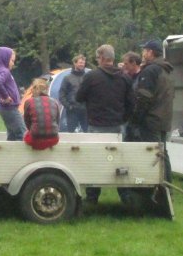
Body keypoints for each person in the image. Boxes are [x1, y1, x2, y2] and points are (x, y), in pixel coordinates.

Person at [76, 44, 135, 204]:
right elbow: (131, 104)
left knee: (95, 161)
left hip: (96, 125)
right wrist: (123, 118)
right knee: (120, 161)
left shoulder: (91, 77)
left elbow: (79, 97)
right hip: (118, 125)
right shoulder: (125, 77)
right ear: (112, 58)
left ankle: (92, 196)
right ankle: (125, 196)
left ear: (101, 58)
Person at [132, 40, 174, 184]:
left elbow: (144, 98)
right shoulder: (166, 69)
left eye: (144, 50)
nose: (142, 53)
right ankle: (167, 187)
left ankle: (157, 190)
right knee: (162, 154)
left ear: (150, 52)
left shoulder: (151, 70)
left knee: (153, 155)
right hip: (164, 119)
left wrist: (135, 119)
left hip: (151, 120)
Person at [0, 47, 26, 141]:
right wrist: (6, 97)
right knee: (23, 134)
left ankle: (8, 155)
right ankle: (22, 155)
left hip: (6, 109)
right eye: (12, 60)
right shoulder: (5, 71)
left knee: (12, 136)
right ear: (5, 58)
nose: (13, 63)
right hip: (10, 109)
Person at [23, 78, 61, 150]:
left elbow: (27, 122)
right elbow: (57, 122)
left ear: (33, 89)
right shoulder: (54, 101)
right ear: (46, 89)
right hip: (54, 139)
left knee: (26, 135)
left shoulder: (29, 101)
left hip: (35, 140)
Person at [58, 55, 88, 133]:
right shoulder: (67, 78)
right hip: (72, 110)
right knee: (71, 133)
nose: (82, 64)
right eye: (80, 63)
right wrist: (69, 106)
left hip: (85, 110)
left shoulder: (87, 77)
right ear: (75, 63)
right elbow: (61, 95)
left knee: (88, 134)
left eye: (83, 63)